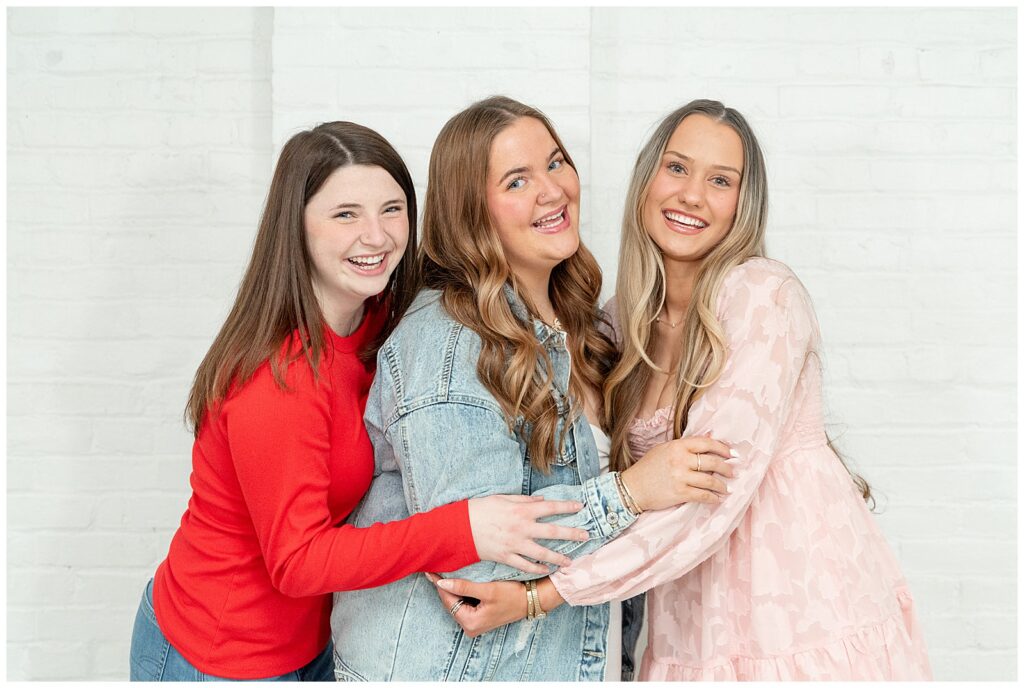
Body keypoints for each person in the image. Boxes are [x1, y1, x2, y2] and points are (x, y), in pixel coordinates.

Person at [433, 100, 933, 681]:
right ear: (647, 181)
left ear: (742, 206)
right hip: (690, 618)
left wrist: (539, 596)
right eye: (677, 168)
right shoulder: (618, 325)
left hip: (801, 610)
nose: (692, 195)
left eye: (720, 181)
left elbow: (708, 499)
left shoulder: (762, 297)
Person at [127, 121, 610, 681]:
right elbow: (298, 561)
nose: (376, 236)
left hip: (317, 642)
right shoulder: (276, 381)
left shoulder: (379, 318)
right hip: (218, 653)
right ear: (297, 228)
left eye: (392, 209)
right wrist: (463, 528)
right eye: (345, 215)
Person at [330, 96, 734, 682]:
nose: (552, 190)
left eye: (556, 163)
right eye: (517, 180)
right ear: (473, 211)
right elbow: (475, 562)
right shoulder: (448, 342)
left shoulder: (584, 327)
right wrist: (632, 492)